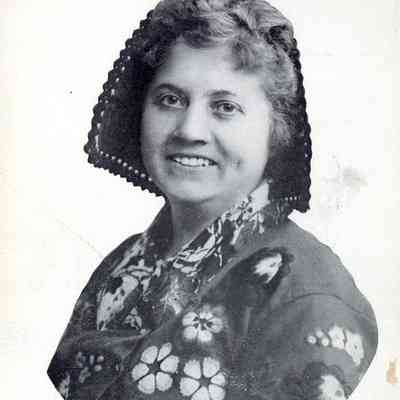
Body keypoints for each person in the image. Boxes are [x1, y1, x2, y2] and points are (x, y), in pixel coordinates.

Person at [48, 1, 378, 399]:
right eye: (170, 99)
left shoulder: (307, 293)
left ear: (277, 129)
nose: (190, 130)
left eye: (225, 107)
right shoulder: (123, 264)